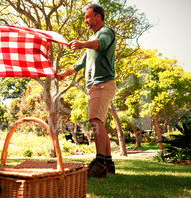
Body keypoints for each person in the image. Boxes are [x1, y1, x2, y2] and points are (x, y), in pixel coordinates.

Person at [56, 4, 116, 178]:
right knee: (99, 123)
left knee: (95, 120)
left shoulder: (105, 32)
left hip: (102, 83)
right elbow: (81, 63)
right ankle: (108, 163)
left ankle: (99, 163)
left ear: (98, 16)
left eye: (88, 17)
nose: (86, 21)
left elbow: (101, 44)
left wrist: (83, 43)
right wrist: (64, 74)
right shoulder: (92, 39)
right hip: (97, 85)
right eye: (85, 18)